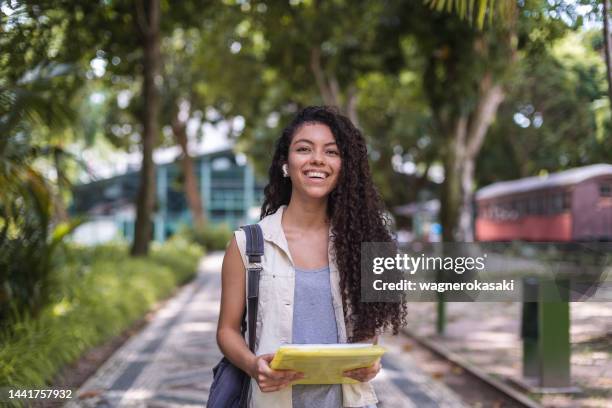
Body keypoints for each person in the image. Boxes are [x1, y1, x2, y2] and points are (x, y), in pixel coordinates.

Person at [216, 106, 407, 408]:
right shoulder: (248, 244)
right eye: (304, 149)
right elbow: (226, 331)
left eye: (331, 152)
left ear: (344, 166)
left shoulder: (366, 244)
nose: (317, 159)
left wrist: (368, 362)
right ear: (285, 163)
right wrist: (254, 366)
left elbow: (368, 331)